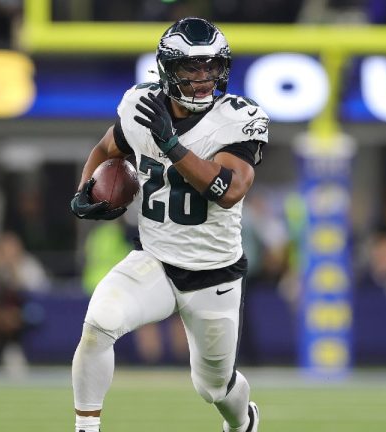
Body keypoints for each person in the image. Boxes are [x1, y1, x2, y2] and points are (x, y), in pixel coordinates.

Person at [69, 17, 268, 432]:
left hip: (214, 274)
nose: (202, 79)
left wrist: (172, 146)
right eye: (191, 68)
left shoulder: (238, 118)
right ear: (167, 70)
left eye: (211, 67)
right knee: (99, 322)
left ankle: (243, 422)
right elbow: (107, 148)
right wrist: (87, 192)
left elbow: (228, 189)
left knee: (213, 388)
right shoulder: (140, 105)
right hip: (155, 260)